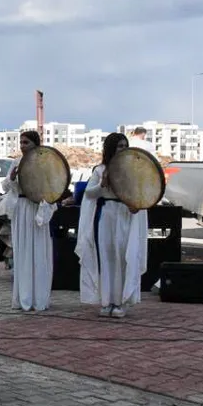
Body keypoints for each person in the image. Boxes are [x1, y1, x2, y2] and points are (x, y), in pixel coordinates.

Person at [77, 132, 147, 318]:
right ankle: (107, 301)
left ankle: (121, 302)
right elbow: (89, 194)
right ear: (111, 149)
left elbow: (140, 193)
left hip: (125, 213)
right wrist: (102, 185)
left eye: (125, 146)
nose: (123, 149)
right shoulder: (100, 170)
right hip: (107, 215)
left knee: (123, 256)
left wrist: (136, 207)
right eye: (119, 146)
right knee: (107, 258)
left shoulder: (132, 169)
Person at [3, 130, 54, 312]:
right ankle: (24, 296)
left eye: (26, 143)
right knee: (23, 251)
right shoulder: (16, 162)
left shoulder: (45, 162)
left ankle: (38, 297)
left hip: (36, 208)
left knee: (38, 250)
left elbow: (52, 186)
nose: (22, 146)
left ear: (35, 144)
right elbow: (6, 186)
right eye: (21, 142)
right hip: (22, 209)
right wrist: (12, 177)